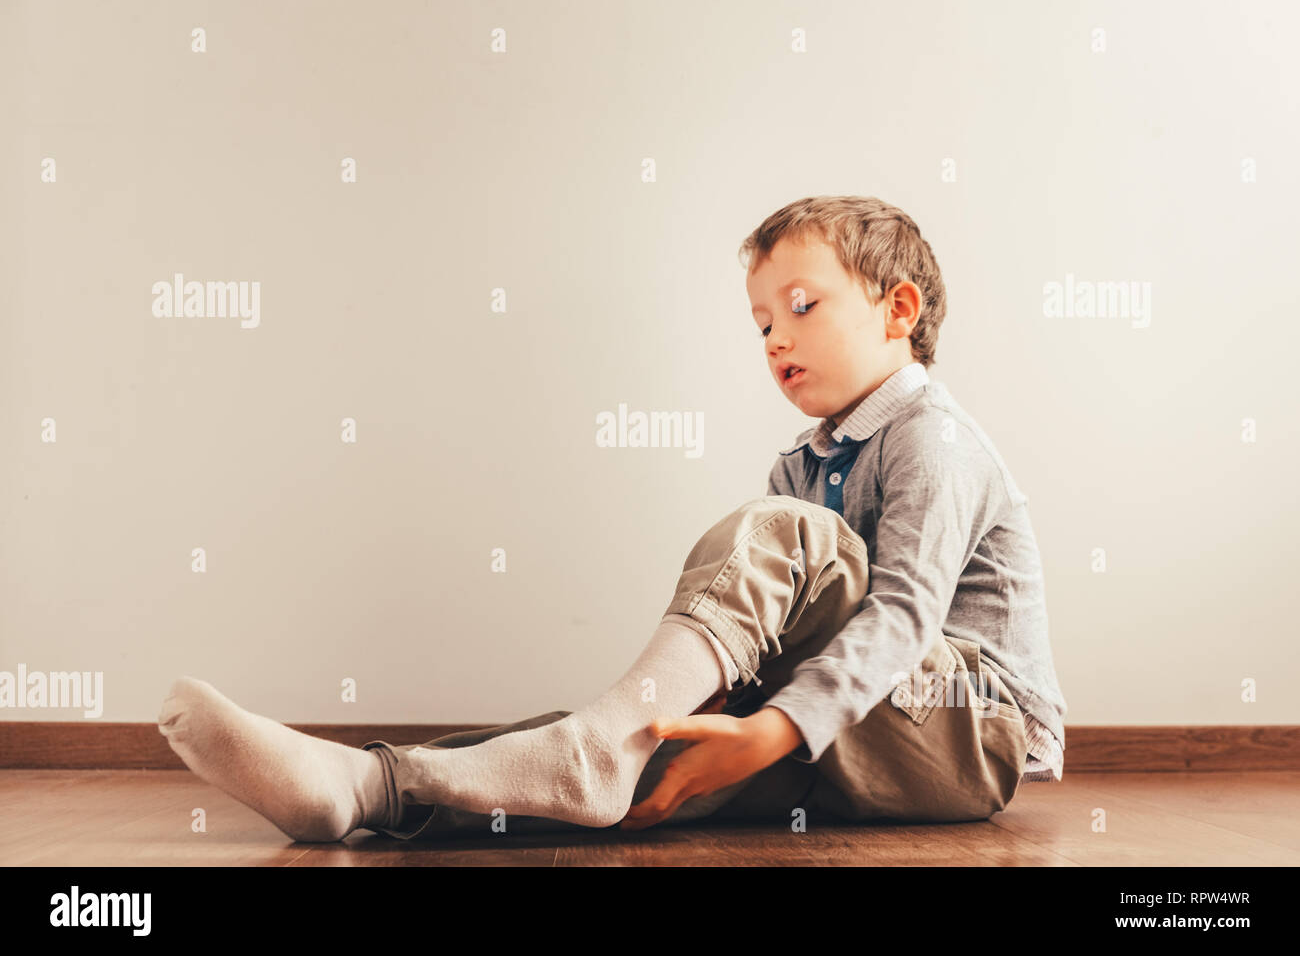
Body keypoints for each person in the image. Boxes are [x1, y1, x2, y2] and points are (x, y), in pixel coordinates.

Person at [157, 195, 1067, 843]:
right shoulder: (803, 459)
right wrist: (710, 714)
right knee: (643, 755)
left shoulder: (930, 438)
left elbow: (904, 618)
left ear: (897, 311)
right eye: (759, 325)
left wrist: (773, 730)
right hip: (857, 736)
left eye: (800, 306)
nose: (774, 339)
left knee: (789, 533)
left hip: (966, 728)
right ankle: (378, 786)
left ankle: (596, 746)